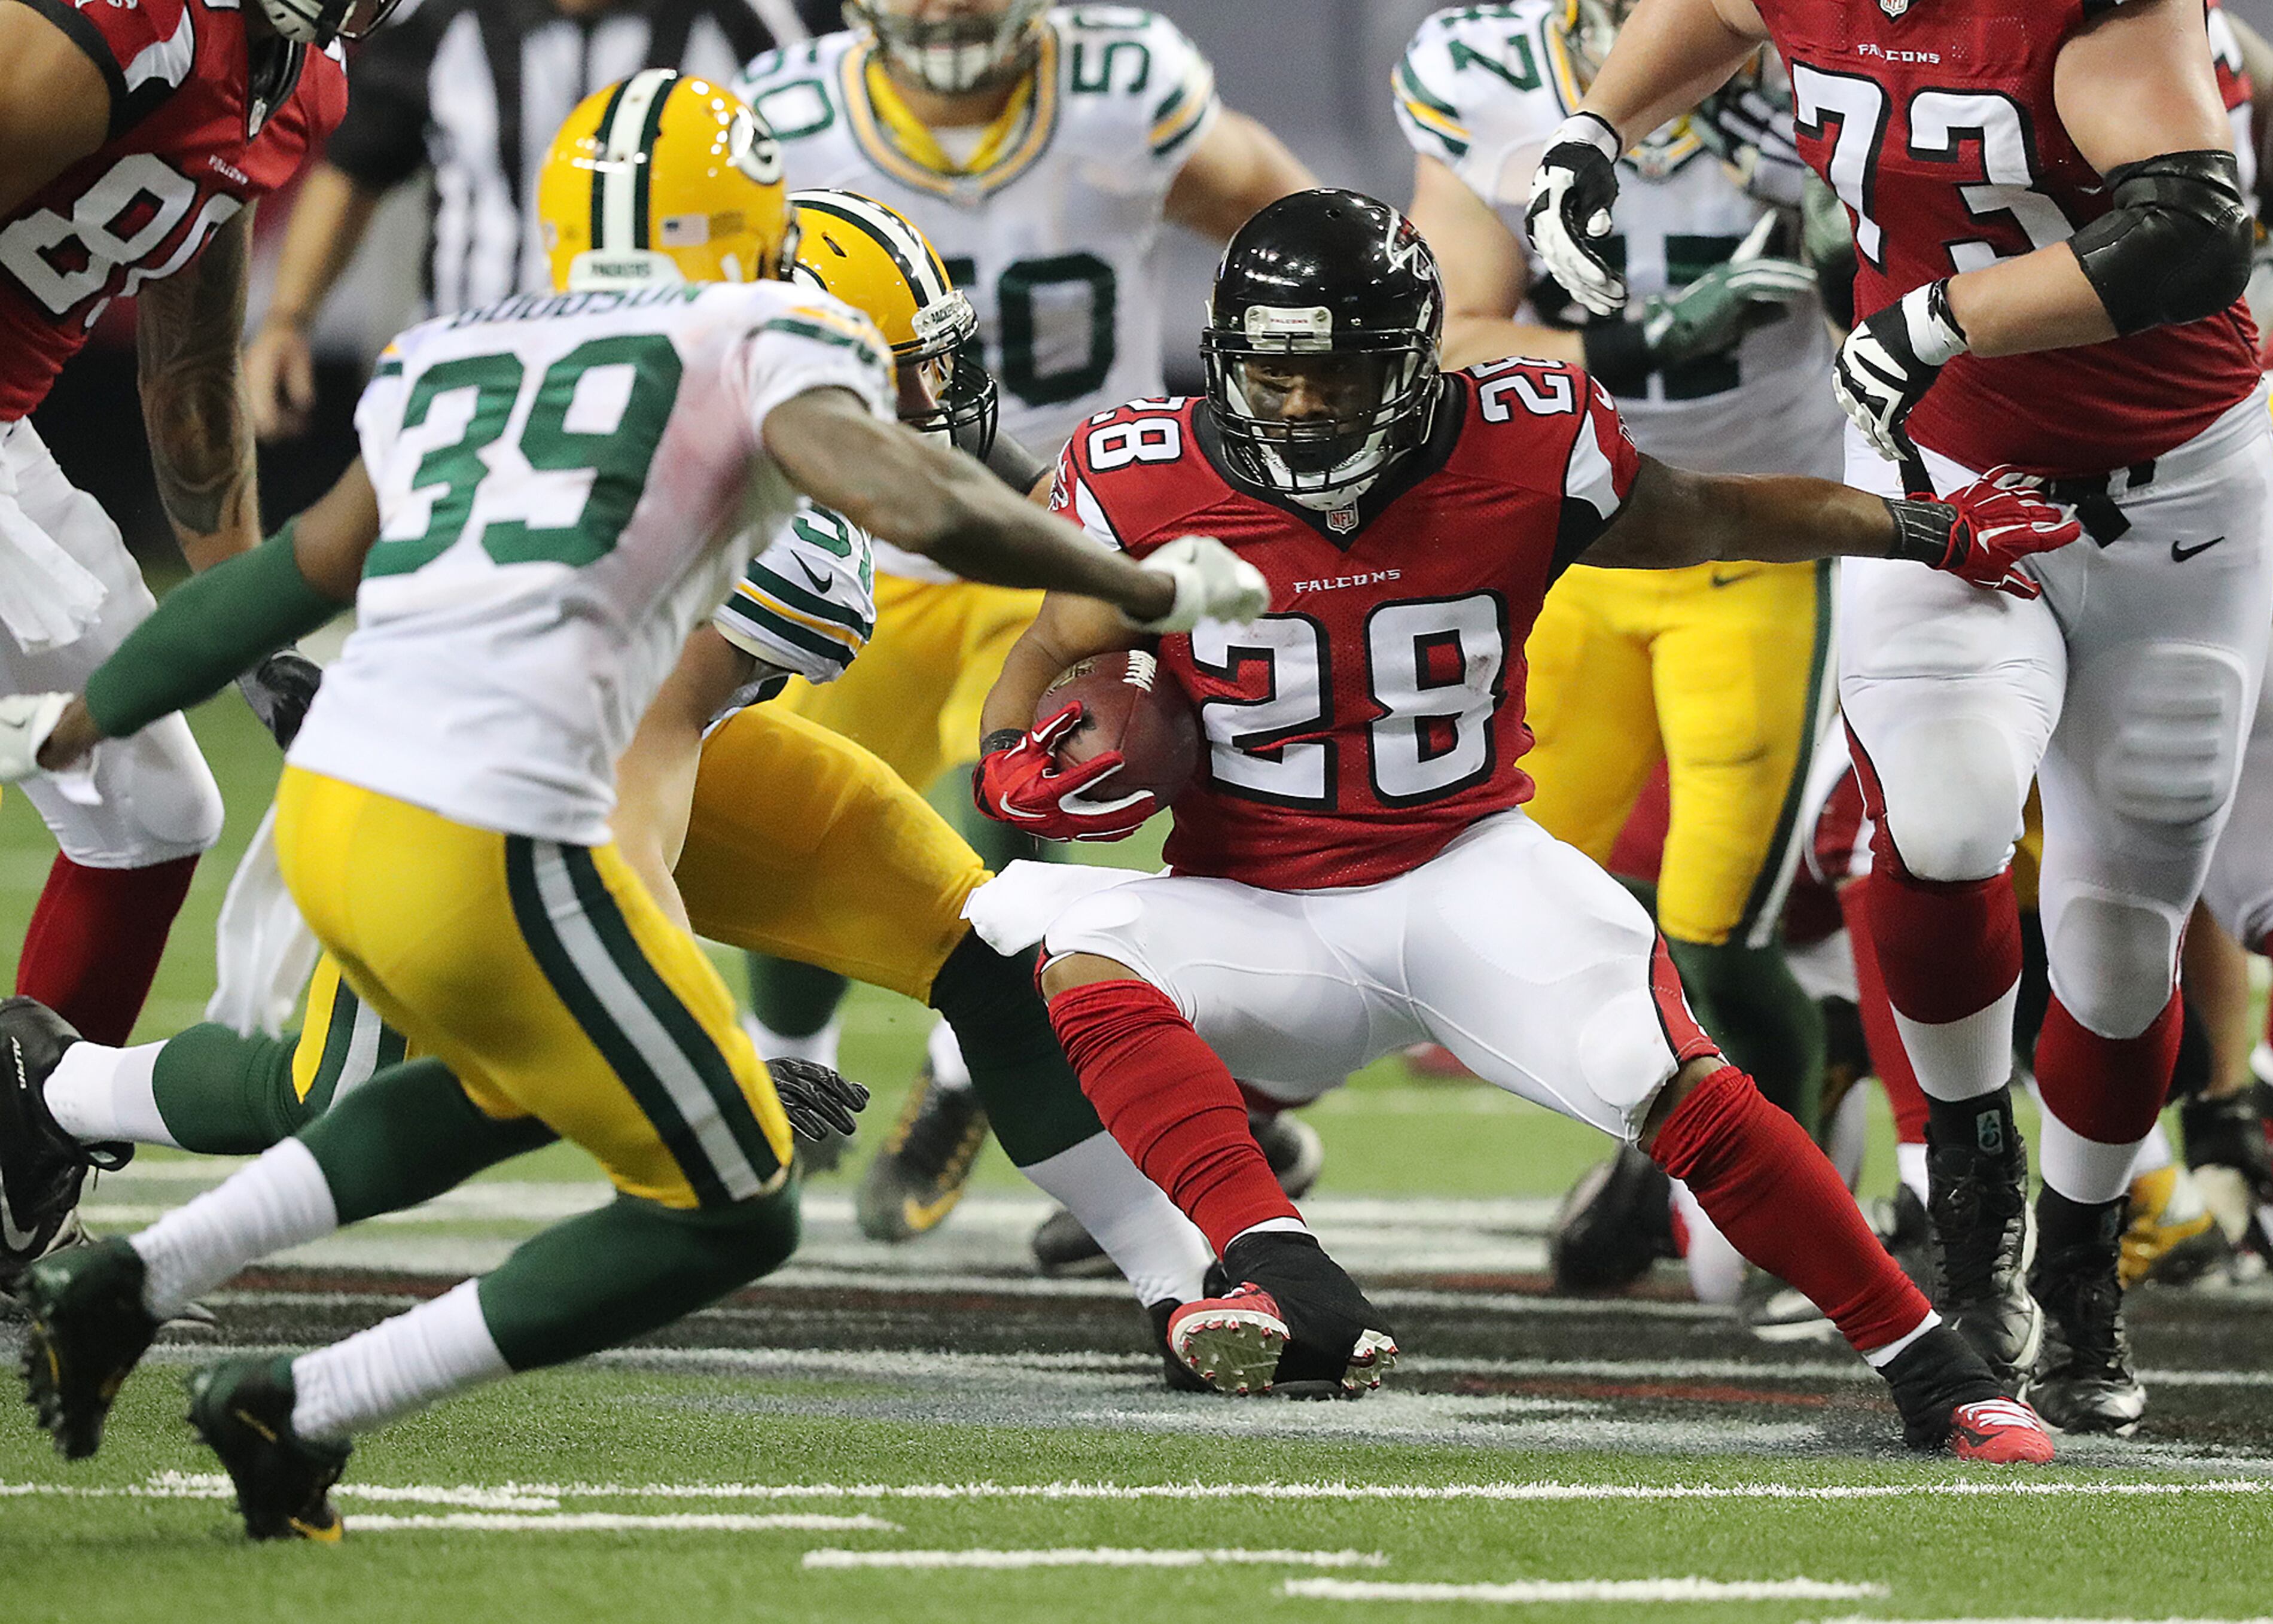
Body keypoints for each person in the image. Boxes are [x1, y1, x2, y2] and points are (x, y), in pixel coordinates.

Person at [0, 75, 1265, 1541]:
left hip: (501, 757)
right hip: (504, 792)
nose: (934, 400)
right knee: (414, 1106)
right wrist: (703, 1022)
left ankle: (1180, 1276)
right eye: (904, 368)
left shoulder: (475, 349)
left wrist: (96, 706)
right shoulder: (757, 380)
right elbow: (643, 771)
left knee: (972, 943)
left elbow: (290, 578)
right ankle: (77, 1112)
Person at [969, 188, 2067, 1460]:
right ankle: (1282, 1269)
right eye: (1275, 377)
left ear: (1414, 361)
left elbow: (1711, 514)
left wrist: (1926, 529)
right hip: (1256, 907)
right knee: (1082, 952)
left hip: (1464, 875)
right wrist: (1012, 760)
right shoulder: (1140, 474)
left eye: (1337, 376)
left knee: (1673, 1081)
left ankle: (1936, 1371)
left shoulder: (1524, 439)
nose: (1304, 407)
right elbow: (1047, 648)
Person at [1524, 0, 2273, 1436]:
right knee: (1936, 817)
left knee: (2122, 938)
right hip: (1939, 472)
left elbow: (2191, 230)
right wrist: (1593, 129)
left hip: (2171, 502)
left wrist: (1942, 315)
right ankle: (1974, 1222)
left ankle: (2082, 1254)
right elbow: (1713, 12)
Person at [732, 0, 1320, 1244]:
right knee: (787, 797)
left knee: (1013, 791)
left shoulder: (1122, 83)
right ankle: (786, 1070)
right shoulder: (785, 117)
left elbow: (1298, 239)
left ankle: (962, 1073)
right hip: (860, 532)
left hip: (1058, 522)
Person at [1394, 0, 1842, 1306]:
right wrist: (1639, 340)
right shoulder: (1486, 68)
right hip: (1575, 543)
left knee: (1720, 924)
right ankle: (1674, 1128)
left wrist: (1856, 266)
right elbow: (1453, 334)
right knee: (1478, 904)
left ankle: (1791, 1160)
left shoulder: (1831, 56)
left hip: (1765, 531)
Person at [0, 0, 372, 1115]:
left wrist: (255, 635)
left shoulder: (299, 85)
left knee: (152, 814)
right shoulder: (124, 26)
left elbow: (194, 381)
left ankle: (25, 1160)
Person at [242, 0, 844, 440]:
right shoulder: (447, 20)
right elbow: (355, 169)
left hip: (686, 392)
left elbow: (819, 185)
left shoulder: (743, 19)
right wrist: (287, 320)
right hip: (475, 380)